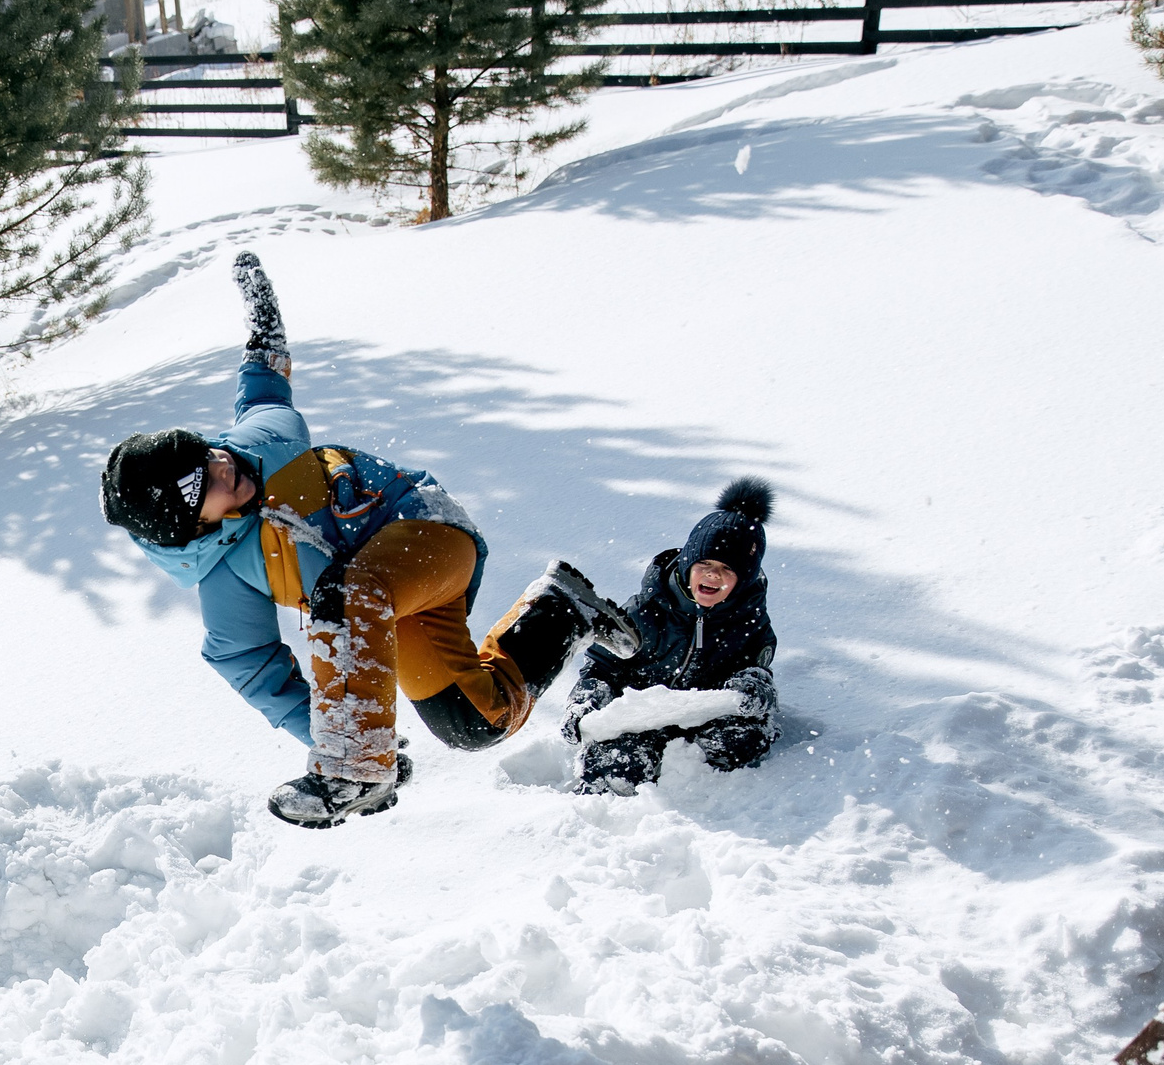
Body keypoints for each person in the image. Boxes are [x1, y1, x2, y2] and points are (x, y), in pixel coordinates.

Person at [100, 250, 644, 829]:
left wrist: (264, 321)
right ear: (189, 525)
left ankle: (357, 767)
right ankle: (560, 608)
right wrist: (328, 729)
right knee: (472, 723)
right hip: (377, 608)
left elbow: (261, 388)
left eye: (203, 451)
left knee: (345, 589)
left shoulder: (259, 441)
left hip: (424, 534)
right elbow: (252, 663)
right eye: (199, 482)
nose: (221, 463)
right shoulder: (223, 576)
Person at [562, 479, 780, 794]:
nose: (713, 574)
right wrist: (587, 702)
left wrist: (752, 686)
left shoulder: (748, 620)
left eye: (727, 570)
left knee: (745, 738)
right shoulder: (644, 613)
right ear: (687, 563)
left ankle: (697, 789)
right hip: (641, 718)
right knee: (613, 763)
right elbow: (601, 666)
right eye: (704, 563)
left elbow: (758, 669)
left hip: (705, 720)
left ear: (743, 581)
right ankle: (610, 806)